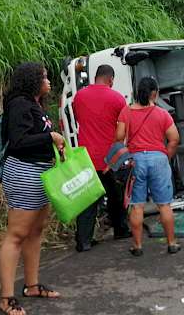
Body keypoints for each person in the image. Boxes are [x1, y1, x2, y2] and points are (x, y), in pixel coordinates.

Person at [0, 62, 64, 315]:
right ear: (32, 80)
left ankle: (32, 285)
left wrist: (54, 144)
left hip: (40, 172)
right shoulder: (20, 104)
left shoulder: (35, 105)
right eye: (44, 77)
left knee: (36, 230)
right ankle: (6, 297)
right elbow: (19, 141)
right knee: (16, 234)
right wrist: (50, 137)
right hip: (24, 172)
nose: (48, 81)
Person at [116, 76, 180, 256]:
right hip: (158, 158)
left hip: (136, 160)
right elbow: (174, 139)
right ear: (154, 93)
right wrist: (165, 156)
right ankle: (172, 243)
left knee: (137, 206)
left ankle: (137, 246)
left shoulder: (126, 112)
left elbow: (119, 137)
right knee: (164, 204)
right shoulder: (162, 113)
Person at [72, 65, 131, 252]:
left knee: (87, 199)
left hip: (86, 157)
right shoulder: (117, 98)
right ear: (111, 79)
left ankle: (83, 241)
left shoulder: (79, 96)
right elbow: (124, 129)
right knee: (116, 195)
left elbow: (78, 119)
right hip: (109, 158)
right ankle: (120, 229)